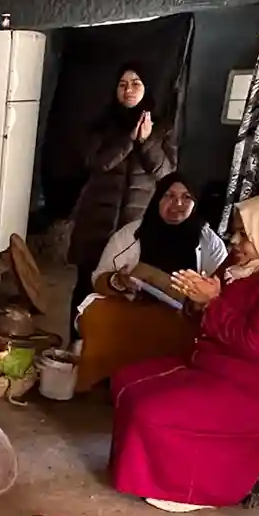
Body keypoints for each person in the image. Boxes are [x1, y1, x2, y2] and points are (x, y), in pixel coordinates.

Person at [108, 192, 259, 511]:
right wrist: (195, 298)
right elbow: (205, 311)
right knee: (126, 380)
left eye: (246, 234)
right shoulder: (246, 264)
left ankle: (191, 488)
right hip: (215, 366)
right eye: (235, 231)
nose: (234, 241)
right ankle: (155, 477)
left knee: (151, 408)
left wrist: (212, 303)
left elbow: (256, 343)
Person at [75, 173, 227, 392]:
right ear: (157, 199)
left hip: (181, 315)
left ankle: (165, 387)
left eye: (186, 197)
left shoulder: (209, 241)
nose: (178, 204)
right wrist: (118, 282)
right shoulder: (132, 234)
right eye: (169, 196)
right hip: (135, 306)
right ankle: (103, 379)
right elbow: (100, 277)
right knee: (97, 313)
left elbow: (220, 288)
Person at [67, 65, 176, 332]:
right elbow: (97, 163)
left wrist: (148, 141)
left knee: (128, 286)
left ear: (146, 89)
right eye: (122, 84)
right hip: (96, 219)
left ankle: (111, 347)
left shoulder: (163, 127)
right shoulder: (101, 125)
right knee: (87, 284)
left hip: (134, 224)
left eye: (135, 83)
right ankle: (77, 344)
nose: (128, 90)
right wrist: (129, 141)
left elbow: (166, 172)